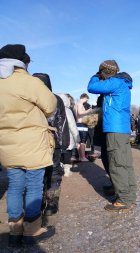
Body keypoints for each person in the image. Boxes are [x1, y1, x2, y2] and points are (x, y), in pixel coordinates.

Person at [0, 44, 56, 246]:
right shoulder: (27, 81)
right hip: (32, 142)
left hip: (7, 145)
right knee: (33, 184)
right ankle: (32, 230)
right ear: (22, 61)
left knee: (14, 185)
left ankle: (15, 232)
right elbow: (50, 106)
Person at [88, 59, 136, 212]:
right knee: (123, 163)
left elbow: (92, 87)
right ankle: (127, 193)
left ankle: (124, 199)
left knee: (117, 163)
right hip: (119, 129)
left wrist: (95, 76)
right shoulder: (121, 84)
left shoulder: (116, 82)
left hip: (115, 129)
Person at [32, 73, 70, 217]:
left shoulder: (53, 99)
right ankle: (45, 200)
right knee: (44, 172)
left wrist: (62, 143)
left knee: (48, 172)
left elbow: (62, 121)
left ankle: (48, 201)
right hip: (42, 142)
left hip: (47, 142)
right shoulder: (34, 98)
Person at [58, 93, 80, 177]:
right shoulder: (67, 110)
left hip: (56, 137)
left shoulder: (53, 109)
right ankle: (66, 171)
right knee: (67, 153)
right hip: (67, 136)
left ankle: (59, 168)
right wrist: (77, 138)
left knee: (58, 153)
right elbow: (72, 125)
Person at [74, 93, 92, 162]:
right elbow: (80, 113)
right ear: (85, 98)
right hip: (82, 125)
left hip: (77, 124)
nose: (87, 101)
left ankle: (80, 157)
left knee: (78, 142)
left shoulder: (76, 104)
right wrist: (88, 111)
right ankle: (83, 157)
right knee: (83, 142)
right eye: (87, 99)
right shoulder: (80, 103)